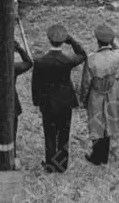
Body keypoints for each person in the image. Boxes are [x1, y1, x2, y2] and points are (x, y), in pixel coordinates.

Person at [32, 24, 87, 173]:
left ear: (49, 39)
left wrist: (37, 102)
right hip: (65, 102)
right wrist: (72, 41)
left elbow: (35, 84)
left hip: (48, 102)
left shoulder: (40, 61)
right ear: (63, 41)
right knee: (64, 133)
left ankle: (50, 164)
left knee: (49, 133)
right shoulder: (67, 60)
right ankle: (61, 164)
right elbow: (83, 54)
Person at [78, 24, 119, 165]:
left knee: (97, 123)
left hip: (96, 93)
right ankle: (104, 155)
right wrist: (112, 40)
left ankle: (97, 156)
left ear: (97, 41)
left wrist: (83, 99)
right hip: (111, 92)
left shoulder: (92, 58)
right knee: (109, 122)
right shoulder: (116, 55)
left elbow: (86, 83)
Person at [0, 40, 33, 166]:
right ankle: (10, 158)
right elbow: (29, 63)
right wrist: (19, 49)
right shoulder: (13, 66)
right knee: (11, 134)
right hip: (11, 106)